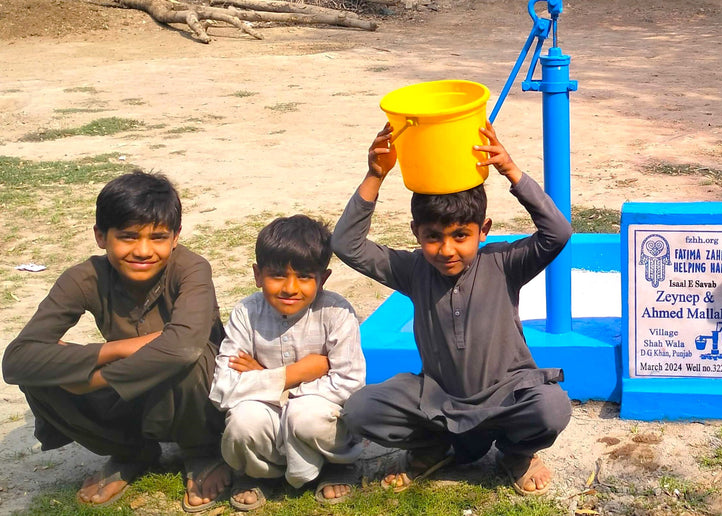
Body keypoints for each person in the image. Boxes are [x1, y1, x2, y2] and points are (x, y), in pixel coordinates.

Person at [332, 121, 573, 496]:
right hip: (438, 400)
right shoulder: (413, 270)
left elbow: (558, 232)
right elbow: (346, 244)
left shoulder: (504, 263)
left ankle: (518, 453)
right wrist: (375, 175)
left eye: (461, 235)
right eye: (433, 237)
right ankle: (431, 449)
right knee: (362, 409)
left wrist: (509, 170)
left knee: (552, 406)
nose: (447, 250)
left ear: (484, 230)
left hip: (506, 397)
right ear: (417, 233)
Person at [2, 170, 230, 511]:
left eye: (157, 237)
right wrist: (114, 350)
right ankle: (132, 453)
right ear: (100, 236)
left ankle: (201, 452)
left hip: (197, 400)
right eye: (127, 236)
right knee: (42, 376)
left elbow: (183, 346)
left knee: (191, 357)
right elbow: (16, 360)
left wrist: (97, 376)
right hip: (135, 390)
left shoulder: (192, 268)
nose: (143, 250)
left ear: (176, 237)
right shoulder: (83, 278)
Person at [209, 215, 365, 511]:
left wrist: (269, 382)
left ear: (323, 279)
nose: (290, 288)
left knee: (306, 415)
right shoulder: (246, 313)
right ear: (257, 275)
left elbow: (350, 384)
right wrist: (294, 374)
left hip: (314, 414)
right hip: (268, 415)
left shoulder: (335, 312)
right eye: (277, 275)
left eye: (305, 276)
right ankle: (261, 473)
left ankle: (333, 466)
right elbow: (222, 389)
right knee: (243, 422)